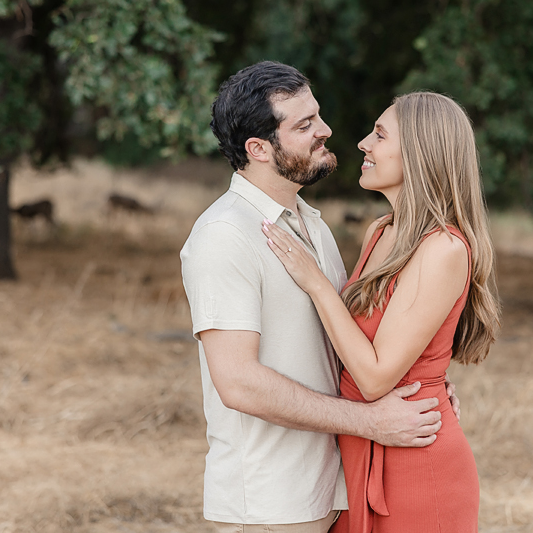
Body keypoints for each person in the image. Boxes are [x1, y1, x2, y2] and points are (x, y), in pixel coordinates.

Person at [180, 63, 460, 533]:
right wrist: (370, 421)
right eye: (304, 125)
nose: (326, 131)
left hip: (334, 491)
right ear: (259, 149)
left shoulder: (310, 223)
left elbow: (347, 336)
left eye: (318, 116)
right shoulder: (224, 235)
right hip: (272, 504)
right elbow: (239, 383)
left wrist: (420, 382)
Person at [261, 92, 500, 533]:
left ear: (421, 153)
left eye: (380, 134)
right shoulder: (381, 231)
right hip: (356, 453)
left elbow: (374, 378)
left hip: (416, 464)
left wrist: (315, 282)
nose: (362, 144)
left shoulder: (443, 249)